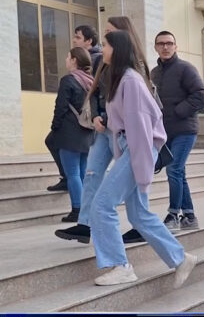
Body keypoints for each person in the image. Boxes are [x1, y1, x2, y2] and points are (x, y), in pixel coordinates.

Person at [89, 30, 197, 287]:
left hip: (139, 149)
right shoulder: (122, 79)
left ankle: (121, 266)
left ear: (117, 49)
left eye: (105, 45)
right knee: (139, 214)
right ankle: (180, 258)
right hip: (133, 149)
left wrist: (140, 168)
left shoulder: (130, 81)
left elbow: (140, 129)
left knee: (101, 205)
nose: (102, 50)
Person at [54, 16, 153, 244]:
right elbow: (96, 91)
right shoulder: (103, 61)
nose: (105, 36)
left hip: (124, 130)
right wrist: (96, 116)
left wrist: (107, 117)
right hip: (104, 129)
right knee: (92, 172)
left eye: (110, 32)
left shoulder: (135, 66)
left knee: (132, 174)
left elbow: (134, 102)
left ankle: (140, 225)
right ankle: (85, 224)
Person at [151, 30, 204, 232]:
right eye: (161, 44)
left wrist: (178, 111)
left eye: (169, 43)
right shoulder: (153, 73)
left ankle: (173, 214)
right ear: (156, 47)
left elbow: (200, 95)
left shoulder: (186, 69)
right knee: (179, 172)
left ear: (175, 46)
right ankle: (189, 216)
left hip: (185, 129)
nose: (165, 47)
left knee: (173, 169)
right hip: (165, 132)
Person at [49, 47, 94, 223]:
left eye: (68, 57)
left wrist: (55, 127)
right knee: (81, 173)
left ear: (75, 60)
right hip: (87, 132)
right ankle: (85, 209)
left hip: (69, 132)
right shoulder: (91, 80)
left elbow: (60, 106)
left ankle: (77, 209)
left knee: (72, 173)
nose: (66, 60)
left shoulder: (68, 80)